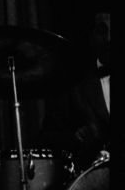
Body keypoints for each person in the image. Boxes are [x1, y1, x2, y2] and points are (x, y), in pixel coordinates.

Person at [39, 10, 110, 167]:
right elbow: (46, 137)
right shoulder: (74, 84)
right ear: (91, 36)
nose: (109, 39)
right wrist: (76, 138)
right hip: (94, 183)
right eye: (101, 31)